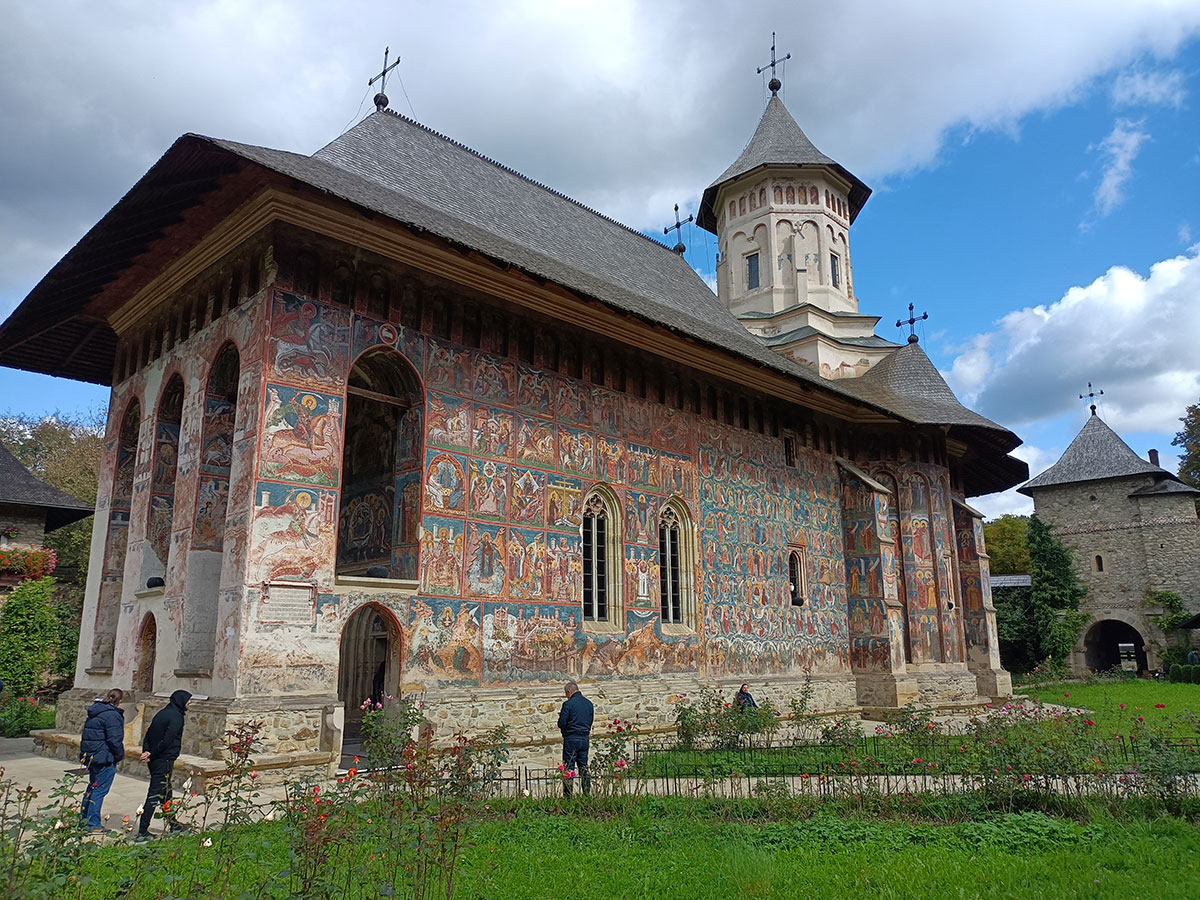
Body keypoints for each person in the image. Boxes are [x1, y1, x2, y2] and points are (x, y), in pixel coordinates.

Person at [135, 690, 191, 840]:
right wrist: (152, 754)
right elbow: (167, 740)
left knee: (166, 793)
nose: (189, 703)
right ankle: (143, 830)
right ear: (181, 701)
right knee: (155, 794)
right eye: (188, 700)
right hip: (163, 759)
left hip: (156, 759)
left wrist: (146, 751)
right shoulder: (176, 717)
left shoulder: (163, 712)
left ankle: (173, 823)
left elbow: (149, 734)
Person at [79, 688, 125, 834]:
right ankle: (93, 824)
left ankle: (84, 820)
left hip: (92, 755)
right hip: (104, 757)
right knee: (99, 790)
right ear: (120, 700)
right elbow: (114, 739)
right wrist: (119, 755)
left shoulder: (95, 711)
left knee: (92, 787)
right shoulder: (112, 715)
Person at [556, 681, 593, 797]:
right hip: (584, 738)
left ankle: (568, 795)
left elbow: (561, 723)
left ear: (569, 692)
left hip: (571, 739)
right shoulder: (589, 704)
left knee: (568, 768)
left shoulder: (568, 704)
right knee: (583, 767)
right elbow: (590, 720)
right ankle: (586, 793)